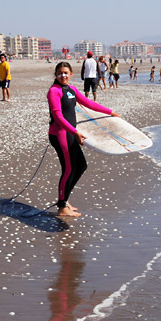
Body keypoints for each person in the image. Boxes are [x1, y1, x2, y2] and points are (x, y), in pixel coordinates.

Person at [47, 62, 119, 218]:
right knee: (68, 169)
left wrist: (110, 112)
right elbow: (58, 117)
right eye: (59, 73)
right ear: (56, 75)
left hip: (70, 133)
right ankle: (62, 207)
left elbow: (88, 103)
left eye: (65, 73)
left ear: (71, 74)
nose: (63, 75)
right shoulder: (54, 91)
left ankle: (64, 200)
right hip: (60, 134)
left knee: (81, 166)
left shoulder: (71, 89)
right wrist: (75, 132)